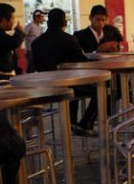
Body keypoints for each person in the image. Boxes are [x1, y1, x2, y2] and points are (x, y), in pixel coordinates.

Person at [31, 8, 98, 136]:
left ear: (48, 22)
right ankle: (85, 123)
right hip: (65, 86)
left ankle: (71, 122)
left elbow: (36, 65)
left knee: (73, 88)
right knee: (100, 90)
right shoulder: (68, 39)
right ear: (64, 23)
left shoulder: (36, 43)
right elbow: (82, 62)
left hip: (44, 88)